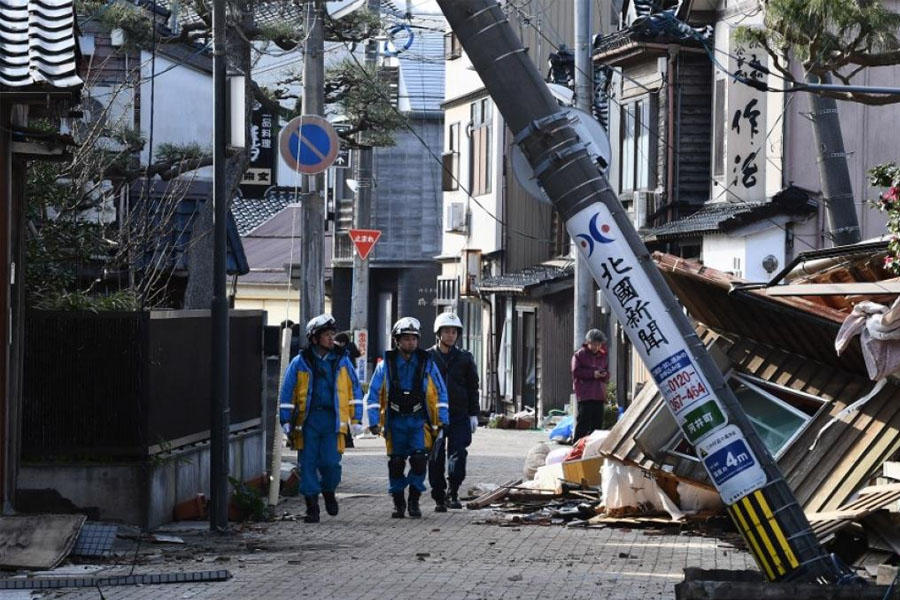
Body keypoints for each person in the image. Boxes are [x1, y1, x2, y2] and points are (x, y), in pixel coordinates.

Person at [280, 314, 364, 523]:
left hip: (333, 421)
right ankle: (312, 507)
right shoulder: (300, 362)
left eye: (332, 334)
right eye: (326, 335)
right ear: (314, 338)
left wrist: (356, 420)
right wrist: (286, 420)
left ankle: (328, 491)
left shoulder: (343, 361)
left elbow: (354, 390)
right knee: (307, 464)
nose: (331, 338)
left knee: (331, 464)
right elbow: (288, 390)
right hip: (307, 421)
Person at [365, 317, 449, 519]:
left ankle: (414, 499)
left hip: (419, 420)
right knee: (396, 462)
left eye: (414, 338)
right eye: (406, 338)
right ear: (397, 340)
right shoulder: (386, 364)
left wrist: (443, 420)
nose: (410, 342)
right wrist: (374, 421)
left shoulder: (427, 363)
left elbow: (440, 392)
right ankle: (398, 501)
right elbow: (374, 393)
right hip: (395, 421)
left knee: (420, 460)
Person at [427, 312, 480, 511]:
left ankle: (454, 490)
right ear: (438, 333)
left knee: (458, 454)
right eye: (446, 331)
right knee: (435, 456)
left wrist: (474, 414)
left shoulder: (465, 358)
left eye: (454, 332)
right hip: (434, 416)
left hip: (459, 414)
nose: (451, 335)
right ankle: (438, 495)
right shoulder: (428, 357)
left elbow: (472, 386)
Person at [570, 328, 610, 443]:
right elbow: (576, 372)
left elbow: (607, 373)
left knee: (597, 425)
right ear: (588, 342)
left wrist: (604, 375)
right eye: (594, 344)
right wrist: (592, 374)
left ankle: (593, 449)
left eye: (599, 344)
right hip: (585, 394)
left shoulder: (603, 355)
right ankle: (576, 446)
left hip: (599, 394)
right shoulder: (579, 355)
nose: (596, 347)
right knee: (583, 423)